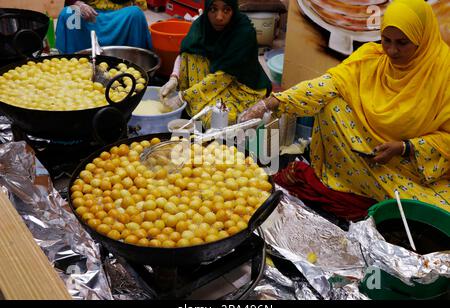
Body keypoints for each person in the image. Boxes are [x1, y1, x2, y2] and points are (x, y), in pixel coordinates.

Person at [240, 0, 450, 219]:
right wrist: (271, 103)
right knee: (331, 106)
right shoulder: (372, 58)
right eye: (386, 40)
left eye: (402, 43)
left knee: (437, 214)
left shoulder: (444, 73)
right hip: (368, 154)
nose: (391, 50)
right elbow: (326, 85)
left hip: (412, 164)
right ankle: (350, 180)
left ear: (422, 39)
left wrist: (405, 147)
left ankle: (381, 190)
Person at [160, 0, 272, 127]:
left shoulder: (244, 32)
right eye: (213, 10)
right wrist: (174, 78)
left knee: (217, 120)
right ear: (207, 9)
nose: (219, 17)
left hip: (239, 85)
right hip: (211, 82)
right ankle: (196, 102)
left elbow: (222, 77)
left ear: (234, 10)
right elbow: (184, 53)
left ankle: (197, 103)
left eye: (226, 10)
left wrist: (184, 97)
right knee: (192, 54)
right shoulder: (201, 25)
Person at [56, 0, 152, 54]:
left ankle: (133, 62)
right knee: (69, 13)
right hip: (89, 16)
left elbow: (139, 5)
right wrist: (79, 4)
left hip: (119, 18)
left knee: (136, 13)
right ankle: (73, 61)